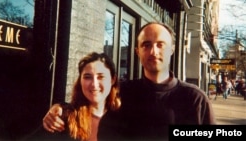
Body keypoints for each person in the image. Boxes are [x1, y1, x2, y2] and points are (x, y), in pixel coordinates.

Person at [42, 22, 216, 140]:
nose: (153, 51)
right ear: (137, 51)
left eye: (160, 44)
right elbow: (88, 101)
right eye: (146, 45)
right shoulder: (122, 92)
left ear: (171, 50)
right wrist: (59, 109)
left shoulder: (194, 99)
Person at [41, 52, 121, 141]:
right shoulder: (62, 119)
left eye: (101, 77)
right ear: (80, 81)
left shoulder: (123, 119)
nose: (94, 84)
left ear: (113, 80)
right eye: (87, 77)